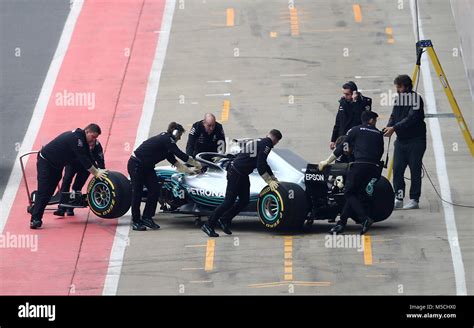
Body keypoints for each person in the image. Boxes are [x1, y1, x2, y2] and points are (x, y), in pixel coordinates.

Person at [201, 129, 282, 237]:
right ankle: (208, 224)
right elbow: (260, 165)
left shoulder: (260, 141)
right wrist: (269, 181)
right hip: (236, 173)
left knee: (244, 200)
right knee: (228, 202)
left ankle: (224, 220)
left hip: (241, 174)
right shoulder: (267, 145)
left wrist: (272, 177)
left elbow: (264, 163)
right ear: (276, 140)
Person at [30, 124, 108, 229]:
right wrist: (96, 172)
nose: (94, 140)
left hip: (57, 166)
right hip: (46, 162)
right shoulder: (76, 139)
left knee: (49, 192)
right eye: (93, 136)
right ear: (87, 131)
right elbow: (84, 159)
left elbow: (89, 157)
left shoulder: (83, 141)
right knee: (44, 191)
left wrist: (101, 170)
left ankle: (35, 209)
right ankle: (35, 219)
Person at [128, 122, 202, 231]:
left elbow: (175, 162)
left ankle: (147, 217)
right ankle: (136, 221)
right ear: (175, 132)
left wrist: (189, 171)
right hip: (136, 165)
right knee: (137, 193)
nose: (180, 138)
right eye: (180, 135)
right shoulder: (167, 140)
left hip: (147, 167)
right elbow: (180, 154)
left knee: (154, 190)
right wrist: (195, 163)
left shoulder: (166, 145)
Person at [319, 111, 384, 235]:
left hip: (360, 165)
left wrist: (327, 161)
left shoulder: (355, 130)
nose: (375, 123)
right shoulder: (378, 134)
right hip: (374, 167)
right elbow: (380, 151)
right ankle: (341, 223)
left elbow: (341, 147)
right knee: (355, 194)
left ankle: (365, 219)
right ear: (370, 120)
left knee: (348, 192)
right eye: (375, 120)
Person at [383, 75, 426, 210]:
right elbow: (394, 116)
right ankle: (399, 197)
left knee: (414, 170)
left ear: (407, 87)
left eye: (399, 87)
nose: (397, 89)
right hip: (401, 141)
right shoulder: (398, 99)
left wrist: (394, 128)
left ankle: (414, 199)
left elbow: (411, 118)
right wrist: (388, 127)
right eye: (396, 87)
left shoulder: (416, 99)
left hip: (416, 141)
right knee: (397, 169)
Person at [53, 139, 105, 216]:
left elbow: (100, 160)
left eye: (92, 146)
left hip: (87, 167)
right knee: (66, 181)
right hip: (72, 163)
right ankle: (61, 207)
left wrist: (102, 172)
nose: (90, 148)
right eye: (89, 146)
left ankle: (71, 207)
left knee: (77, 186)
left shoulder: (97, 146)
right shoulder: (79, 143)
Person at [330, 81, 372, 150]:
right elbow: (338, 121)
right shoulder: (343, 102)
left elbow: (362, 118)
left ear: (354, 93)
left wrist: (355, 102)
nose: (345, 96)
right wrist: (333, 140)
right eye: (344, 94)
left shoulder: (365, 102)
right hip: (343, 138)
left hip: (357, 138)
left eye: (347, 94)